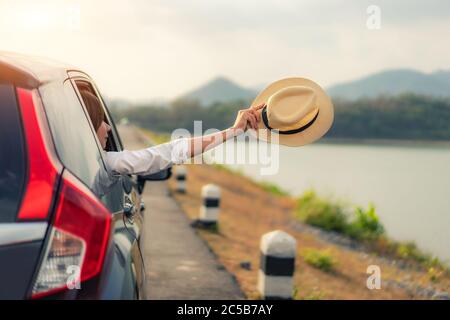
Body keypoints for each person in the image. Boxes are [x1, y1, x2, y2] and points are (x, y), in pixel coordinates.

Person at [81, 90, 265, 178]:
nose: (108, 127)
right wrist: (233, 131)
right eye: (100, 120)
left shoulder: (77, 166)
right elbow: (172, 151)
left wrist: (233, 131)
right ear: (86, 126)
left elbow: (174, 150)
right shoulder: (109, 163)